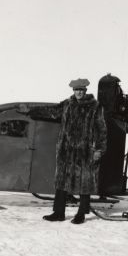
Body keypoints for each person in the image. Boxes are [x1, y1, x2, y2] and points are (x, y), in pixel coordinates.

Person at [20, 78, 107, 224]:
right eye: (76, 90)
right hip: (66, 151)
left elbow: (102, 130)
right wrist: (29, 110)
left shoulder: (95, 107)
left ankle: (81, 214)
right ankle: (58, 212)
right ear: (73, 91)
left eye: (81, 90)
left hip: (85, 152)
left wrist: (99, 150)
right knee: (62, 183)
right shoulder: (67, 104)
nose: (78, 92)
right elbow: (51, 112)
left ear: (85, 91)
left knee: (84, 184)